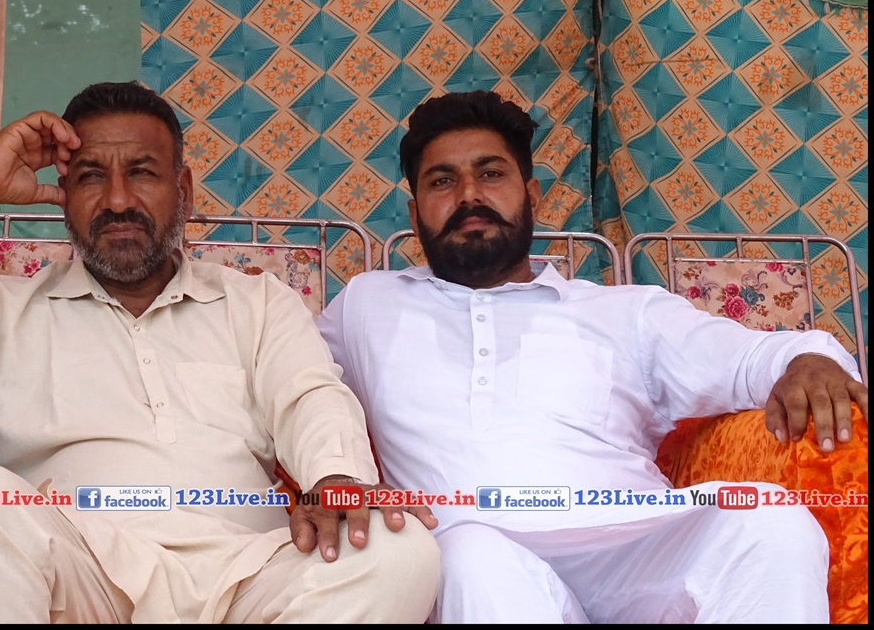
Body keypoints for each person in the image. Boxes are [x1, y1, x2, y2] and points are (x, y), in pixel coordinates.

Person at [0, 81, 441, 623]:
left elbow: (310, 395)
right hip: (77, 576)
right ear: (63, 195)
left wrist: (335, 477)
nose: (119, 200)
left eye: (143, 173)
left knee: (397, 550)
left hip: (248, 578)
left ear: (184, 190)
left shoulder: (255, 301)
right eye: (91, 177)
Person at [316, 90, 867, 624]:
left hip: (632, 547)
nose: (468, 196)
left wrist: (809, 359)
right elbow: (287, 385)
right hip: (474, 547)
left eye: (491, 173)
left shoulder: (627, 311)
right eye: (442, 181)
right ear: (415, 215)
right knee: (473, 559)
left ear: (532, 195)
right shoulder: (368, 304)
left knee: (769, 520)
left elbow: (754, 358)